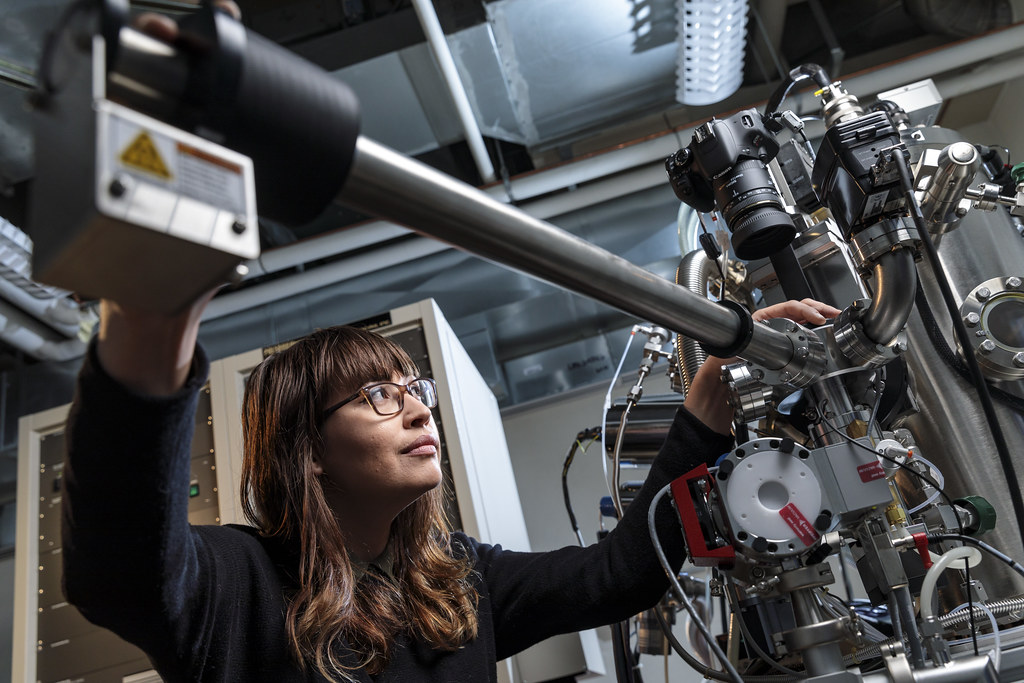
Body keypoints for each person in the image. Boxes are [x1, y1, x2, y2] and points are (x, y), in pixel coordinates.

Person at [61, 281, 838, 682]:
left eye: (416, 389)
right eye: (377, 395)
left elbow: (618, 573)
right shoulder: (239, 584)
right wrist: (153, 318)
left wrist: (704, 407)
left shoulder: (456, 581)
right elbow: (120, 564)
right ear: (311, 451)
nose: (415, 410)